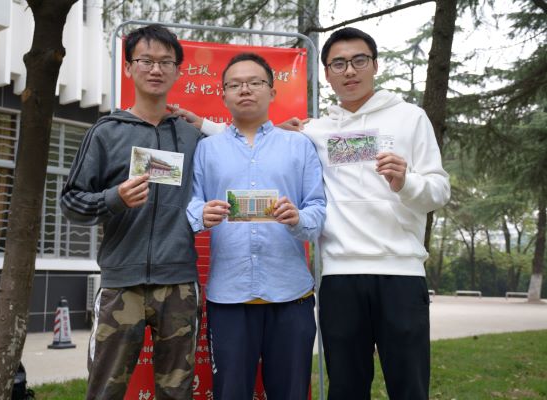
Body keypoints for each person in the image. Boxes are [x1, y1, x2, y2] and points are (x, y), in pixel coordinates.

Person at [176, 27, 450, 400]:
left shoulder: (409, 118)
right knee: (346, 388)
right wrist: (204, 126)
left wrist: (406, 182)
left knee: (410, 388)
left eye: (359, 61)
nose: (349, 70)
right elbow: (254, 137)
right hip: (339, 277)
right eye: (339, 63)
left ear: (375, 65)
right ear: (326, 73)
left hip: (400, 273)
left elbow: (439, 190)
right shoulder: (317, 132)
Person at [60, 25, 203, 400]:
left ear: (177, 70)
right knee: (104, 390)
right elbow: (71, 202)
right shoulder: (106, 132)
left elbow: (241, 147)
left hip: (179, 284)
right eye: (146, 60)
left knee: (178, 393)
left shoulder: (192, 137)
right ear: (128, 67)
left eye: (165, 62)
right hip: (121, 283)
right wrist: (115, 198)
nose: (156, 69)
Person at [186, 52, 326, 400]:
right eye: (235, 85)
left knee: (292, 393)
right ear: (223, 95)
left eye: (254, 82)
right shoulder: (206, 149)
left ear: (272, 91)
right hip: (228, 297)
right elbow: (190, 203)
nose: (245, 90)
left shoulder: (299, 146)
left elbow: (318, 209)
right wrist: (201, 214)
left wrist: (299, 219)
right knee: (230, 392)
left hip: (291, 295)